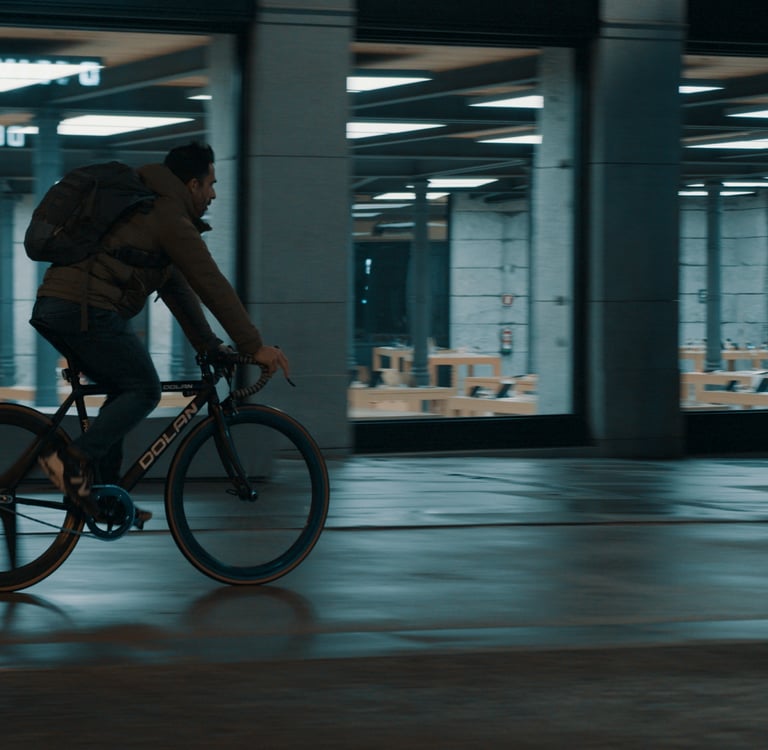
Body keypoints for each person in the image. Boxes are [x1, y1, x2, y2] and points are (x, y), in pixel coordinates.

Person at [31, 141, 289, 527]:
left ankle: (106, 498)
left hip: (63, 307)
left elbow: (179, 289)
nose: (214, 194)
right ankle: (68, 462)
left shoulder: (151, 211)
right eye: (210, 184)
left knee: (124, 390)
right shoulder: (168, 216)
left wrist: (211, 345)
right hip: (83, 309)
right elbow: (210, 282)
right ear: (191, 184)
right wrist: (255, 346)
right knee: (144, 389)